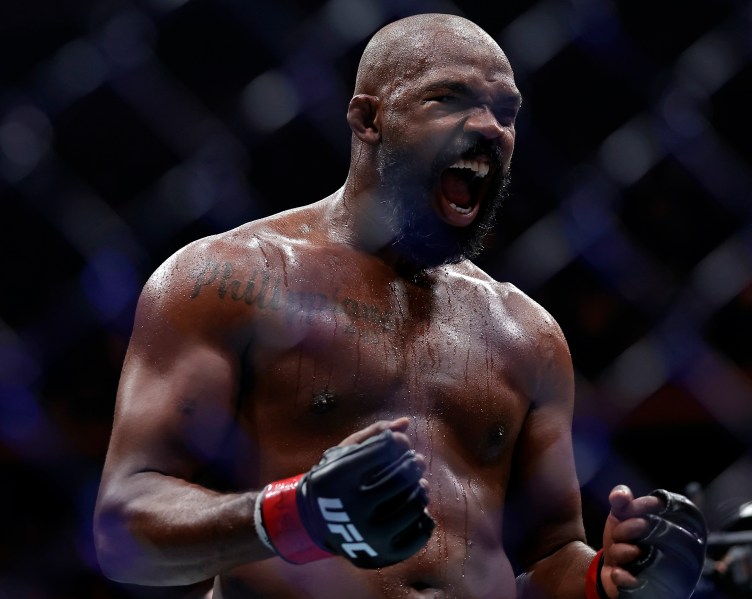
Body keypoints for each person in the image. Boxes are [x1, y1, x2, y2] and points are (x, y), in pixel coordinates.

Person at [93, 12, 706, 599]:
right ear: (368, 119)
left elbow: (551, 556)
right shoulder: (229, 279)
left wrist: (609, 577)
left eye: (507, 112)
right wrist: (297, 513)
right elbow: (123, 528)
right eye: (451, 99)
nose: (491, 127)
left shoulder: (526, 332)